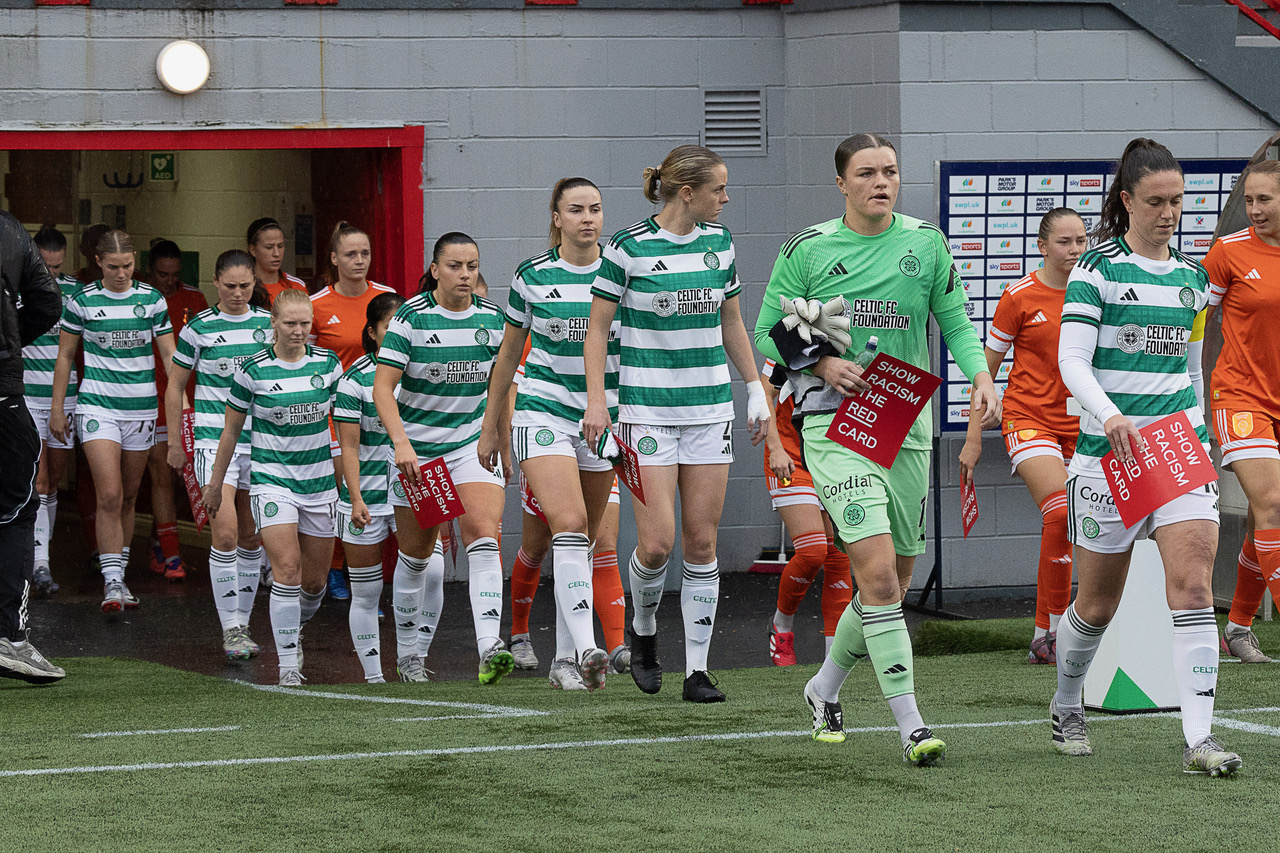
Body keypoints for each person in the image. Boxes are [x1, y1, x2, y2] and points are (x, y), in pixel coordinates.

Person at [754, 133, 1000, 765]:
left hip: (903, 425)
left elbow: (954, 323)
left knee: (891, 579)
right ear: (842, 183)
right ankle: (911, 726)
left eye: (889, 171)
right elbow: (765, 330)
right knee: (882, 577)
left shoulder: (926, 243)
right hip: (835, 429)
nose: (880, 182)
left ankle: (822, 688)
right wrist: (825, 361)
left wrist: (980, 376)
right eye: (866, 173)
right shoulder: (808, 250)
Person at [1050, 137, 1239, 776]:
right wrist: (1110, 416)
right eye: (1155, 201)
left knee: (1192, 586)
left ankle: (1200, 739)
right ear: (1126, 201)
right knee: (1097, 605)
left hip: (1178, 454)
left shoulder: (1192, 281)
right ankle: (1067, 700)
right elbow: (1070, 360)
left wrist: (1198, 432)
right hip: (1108, 454)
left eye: (1178, 201)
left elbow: (1190, 365)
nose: (1168, 212)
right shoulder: (1096, 270)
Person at [583, 145, 770, 703]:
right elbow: (596, 332)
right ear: (687, 192)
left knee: (702, 542)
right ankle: (643, 634)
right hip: (646, 412)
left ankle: (696, 671)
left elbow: (731, 320)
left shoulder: (720, 242)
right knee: (658, 543)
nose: (726, 197)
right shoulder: (627, 247)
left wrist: (755, 386)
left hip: (709, 410)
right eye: (718, 189)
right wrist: (598, 402)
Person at [479, 177, 622, 691]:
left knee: (581, 539)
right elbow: (507, 356)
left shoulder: (622, 272)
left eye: (596, 209)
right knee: (569, 521)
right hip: (543, 413)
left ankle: (564, 661)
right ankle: (587, 645)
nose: (588, 218)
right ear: (556, 217)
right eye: (576, 210)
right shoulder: (532, 275)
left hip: (603, 418)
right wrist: (494, 426)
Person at [374, 232, 514, 685]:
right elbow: (382, 388)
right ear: (435, 270)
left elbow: (504, 385)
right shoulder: (410, 319)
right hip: (420, 456)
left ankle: (489, 646)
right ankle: (410, 652)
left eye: (472, 266)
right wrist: (401, 444)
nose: (465, 275)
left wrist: (502, 440)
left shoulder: (494, 319)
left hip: (471, 446)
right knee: (416, 557)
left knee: (482, 535)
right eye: (455, 266)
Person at [960, 208, 1087, 664]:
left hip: (1085, 426)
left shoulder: (1096, 290)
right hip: (1028, 417)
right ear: (1042, 246)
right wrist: (973, 439)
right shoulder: (1019, 296)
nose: (1074, 250)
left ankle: (1042, 633)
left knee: (1087, 526)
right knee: (1061, 510)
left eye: (1080, 241)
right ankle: (1055, 629)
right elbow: (985, 375)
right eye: (1064, 242)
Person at [204, 289, 343, 686]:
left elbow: (347, 423)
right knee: (287, 569)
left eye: (305, 324)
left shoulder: (329, 365)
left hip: (319, 484)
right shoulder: (253, 371)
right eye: (290, 324)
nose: (299, 331)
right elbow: (230, 432)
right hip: (272, 482)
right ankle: (287, 668)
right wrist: (216, 483)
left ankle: (292, 628)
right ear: (273, 325)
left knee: (314, 584)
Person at [51, 229, 175, 614]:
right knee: (109, 494)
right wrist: (59, 408)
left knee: (129, 496)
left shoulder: (151, 299)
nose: (122, 274)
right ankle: (113, 582)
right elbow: (66, 356)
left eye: (128, 266)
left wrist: (181, 406)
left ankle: (118, 573)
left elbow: (171, 357)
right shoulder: (82, 301)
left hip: (141, 409)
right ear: (99, 263)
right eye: (113, 267)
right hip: (97, 407)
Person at [166, 250, 272, 662]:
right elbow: (176, 386)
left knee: (250, 536)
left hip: (262, 443)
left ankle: (242, 623)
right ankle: (230, 628)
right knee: (225, 534)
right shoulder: (199, 328)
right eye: (230, 286)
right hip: (213, 441)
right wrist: (177, 442)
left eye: (246, 286)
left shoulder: (268, 326)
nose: (238, 293)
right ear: (215, 283)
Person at [1203, 159, 1280, 664]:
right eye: (1248, 200)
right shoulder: (1228, 253)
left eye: (1264, 200)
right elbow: (1188, 320)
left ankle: (1237, 628)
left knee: (1262, 518)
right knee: (1273, 504)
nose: (1253, 210)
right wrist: (1182, 391)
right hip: (1240, 395)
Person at [311, 221, 395, 603]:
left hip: (382, 414)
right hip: (337, 414)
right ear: (334, 258)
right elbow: (307, 361)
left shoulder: (388, 298)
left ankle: (378, 579)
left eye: (364, 253)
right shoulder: (317, 306)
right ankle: (337, 568)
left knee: (388, 490)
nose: (359, 260)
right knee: (346, 489)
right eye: (350, 254)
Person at [0, 210, 65, 685]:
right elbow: (47, 303)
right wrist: (8, 338)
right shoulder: (10, 229)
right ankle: (11, 637)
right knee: (17, 512)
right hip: (3, 396)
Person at [760, 359, 853, 666]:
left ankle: (834, 660)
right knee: (813, 552)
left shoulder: (856, 339)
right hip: (790, 457)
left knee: (839, 556)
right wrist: (775, 446)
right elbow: (764, 392)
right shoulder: (791, 335)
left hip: (834, 455)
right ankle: (782, 626)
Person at [334, 291, 406, 683]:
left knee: (429, 574)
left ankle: (414, 662)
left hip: (415, 491)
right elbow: (348, 446)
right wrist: (356, 496)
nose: (396, 335)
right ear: (373, 332)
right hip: (366, 499)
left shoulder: (420, 374)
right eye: (388, 328)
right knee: (366, 591)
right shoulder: (353, 382)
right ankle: (374, 676)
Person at [145, 239, 208, 582]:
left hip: (189, 401)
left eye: (174, 274)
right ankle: (171, 555)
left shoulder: (195, 300)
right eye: (161, 274)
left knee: (189, 477)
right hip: (152, 399)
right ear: (150, 269)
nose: (168, 281)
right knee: (161, 475)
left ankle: (160, 536)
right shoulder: (141, 298)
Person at [23, 225, 81, 596]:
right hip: (27, 394)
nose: (52, 274)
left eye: (58, 267)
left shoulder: (76, 293)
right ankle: (40, 564)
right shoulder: (15, 288)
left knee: (55, 479)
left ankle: (42, 555)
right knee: (39, 479)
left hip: (66, 397)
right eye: (46, 266)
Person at [247, 217, 307, 305]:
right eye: (269, 247)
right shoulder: (241, 286)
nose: (276, 253)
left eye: (280, 246)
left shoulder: (297, 286)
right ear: (253, 250)